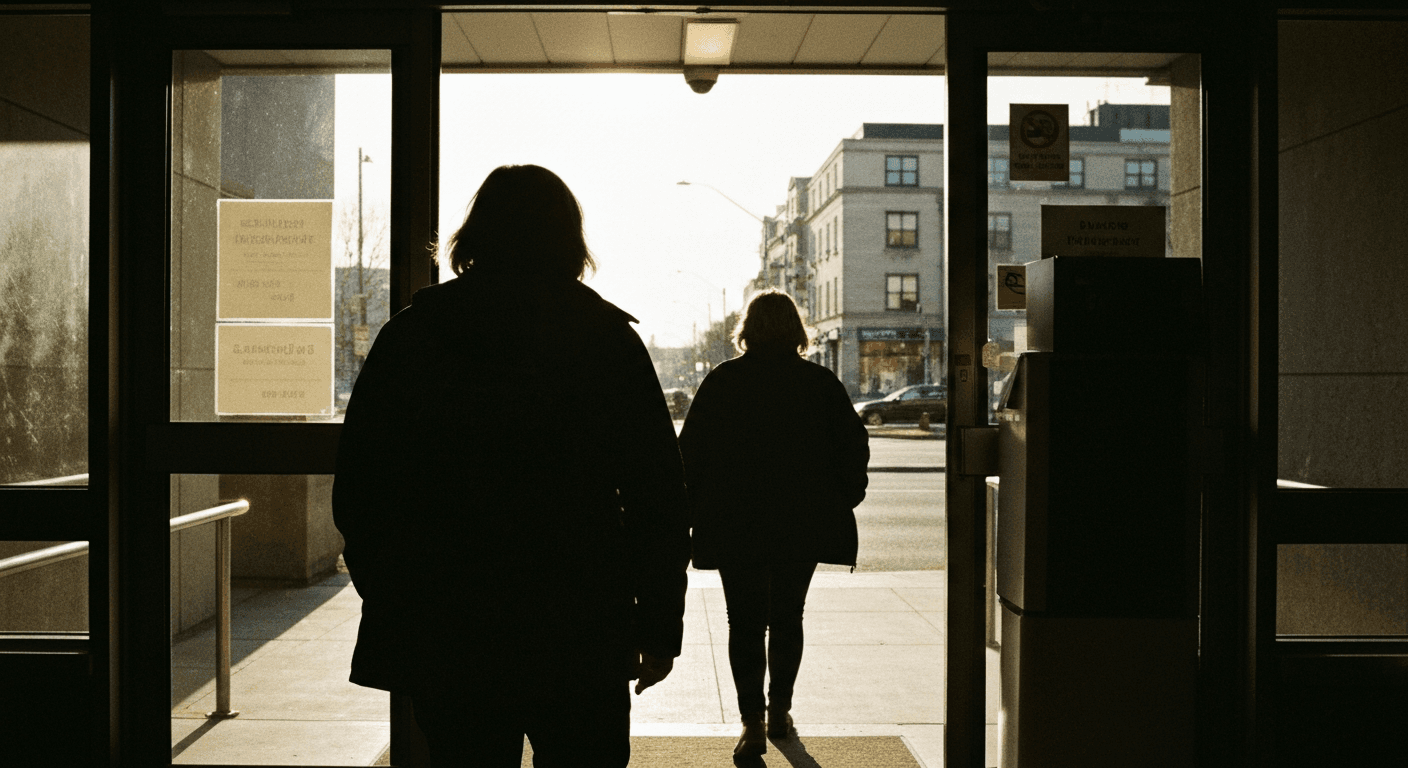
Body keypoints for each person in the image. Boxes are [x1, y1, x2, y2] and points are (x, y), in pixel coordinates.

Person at [332, 164, 691, 767]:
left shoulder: (414, 337)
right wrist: (657, 626)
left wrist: (400, 597)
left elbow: (364, 487)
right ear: (570, 241)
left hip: (452, 624)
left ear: (475, 237)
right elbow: (658, 495)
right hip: (578, 621)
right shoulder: (605, 340)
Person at [677, 290, 869, 758]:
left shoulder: (724, 381)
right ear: (796, 331)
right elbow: (853, 447)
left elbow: (690, 454)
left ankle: (751, 722)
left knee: (743, 623)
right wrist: (842, 498)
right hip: (800, 521)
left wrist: (695, 509)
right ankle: (780, 709)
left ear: (747, 329)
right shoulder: (819, 383)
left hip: (735, 520)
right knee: (788, 617)